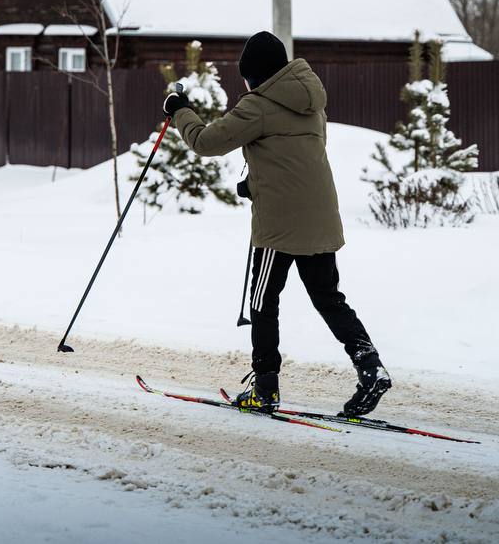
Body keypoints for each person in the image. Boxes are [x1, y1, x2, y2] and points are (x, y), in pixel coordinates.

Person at [162, 31, 391, 416]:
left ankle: (266, 388)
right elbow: (293, 156)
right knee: (329, 298)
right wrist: (254, 183)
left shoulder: (258, 105)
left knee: (263, 301)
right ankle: (371, 367)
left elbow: (205, 142)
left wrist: (179, 110)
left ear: (256, 74)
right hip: (320, 217)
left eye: (246, 76)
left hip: (279, 227)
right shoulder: (313, 100)